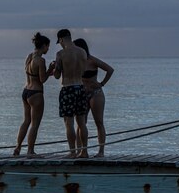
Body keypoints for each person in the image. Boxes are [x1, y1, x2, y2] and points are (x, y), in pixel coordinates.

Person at [13, 32, 56, 157]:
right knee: (35, 124)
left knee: (26, 121)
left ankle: (18, 147)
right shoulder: (40, 60)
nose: (48, 49)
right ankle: (30, 151)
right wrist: (50, 69)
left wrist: (48, 71)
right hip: (36, 93)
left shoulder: (29, 57)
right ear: (43, 46)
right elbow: (42, 79)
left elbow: (32, 74)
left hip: (26, 91)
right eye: (48, 46)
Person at [73, 38, 114, 157]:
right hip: (82, 94)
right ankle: (80, 150)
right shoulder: (75, 62)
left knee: (99, 122)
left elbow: (110, 70)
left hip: (95, 93)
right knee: (81, 123)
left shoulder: (92, 60)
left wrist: (102, 83)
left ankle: (101, 151)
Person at [53, 29, 89, 158]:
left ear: (61, 39)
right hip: (80, 87)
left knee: (69, 123)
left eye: (60, 42)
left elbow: (57, 75)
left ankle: (73, 152)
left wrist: (53, 68)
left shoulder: (61, 54)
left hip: (67, 88)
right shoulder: (82, 52)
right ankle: (84, 151)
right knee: (81, 123)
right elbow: (83, 71)